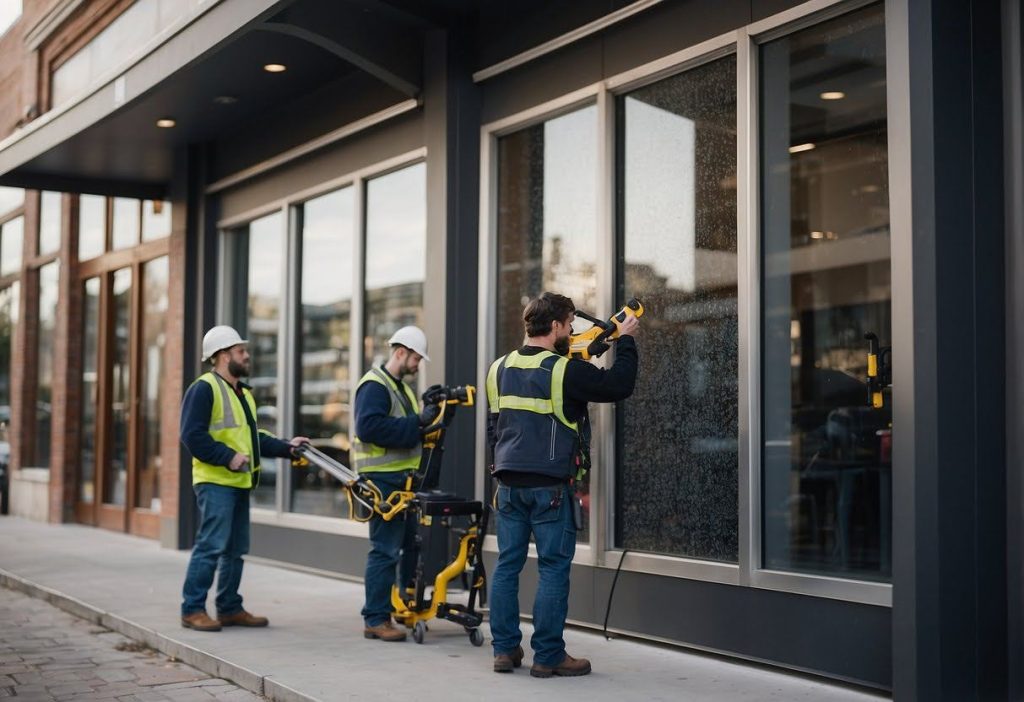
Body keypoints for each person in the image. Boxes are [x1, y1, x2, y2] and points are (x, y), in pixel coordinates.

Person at [486, 292, 639, 677]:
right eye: (570, 324)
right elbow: (619, 385)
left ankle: (504, 651)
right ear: (554, 326)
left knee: (507, 565)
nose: (572, 331)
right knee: (553, 568)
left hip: (507, 484)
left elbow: (495, 428)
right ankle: (548, 655)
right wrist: (626, 340)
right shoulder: (563, 370)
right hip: (550, 486)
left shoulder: (498, 368)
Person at [179, 325, 309, 632]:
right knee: (211, 546)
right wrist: (228, 457)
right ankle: (192, 609)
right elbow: (191, 435)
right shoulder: (204, 388)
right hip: (215, 482)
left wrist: (289, 448)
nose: (247, 356)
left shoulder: (243, 394)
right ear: (223, 356)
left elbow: (254, 438)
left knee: (236, 549)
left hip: (239, 483)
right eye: (241, 351)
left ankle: (229, 608)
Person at [352, 325, 441, 642]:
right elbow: (369, 428)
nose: (418, 365)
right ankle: (375, 618)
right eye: (416, 358)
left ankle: (401, 606)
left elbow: (405, 430)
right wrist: (418, 422)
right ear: (401, 352)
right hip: (383, 483)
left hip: (402, 482)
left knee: (406, 546)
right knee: (385, 550)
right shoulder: (375, 386)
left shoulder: (399, 387)